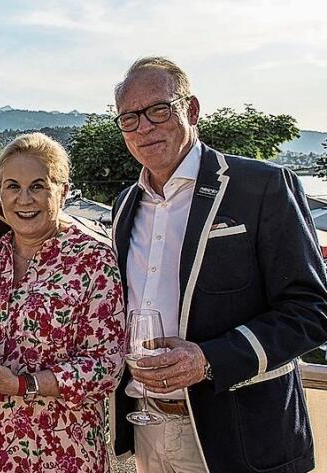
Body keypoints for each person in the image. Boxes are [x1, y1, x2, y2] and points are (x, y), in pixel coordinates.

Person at [110, 57, 327, 473]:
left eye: (158, 110)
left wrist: (208, 359)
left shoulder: (262, 186)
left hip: (239, 437)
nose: (144, 128)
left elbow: (312, 309)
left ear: (191, 110)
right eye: (129, 118)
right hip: (147, 428)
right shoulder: (125, 205)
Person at [0, 132, 125, 472]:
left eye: (38, 186)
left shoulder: (92, 260)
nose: (24, 199)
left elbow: (105, 366)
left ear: (63, 191)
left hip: (60, 452)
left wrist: (21, 385)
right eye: (12, 186)